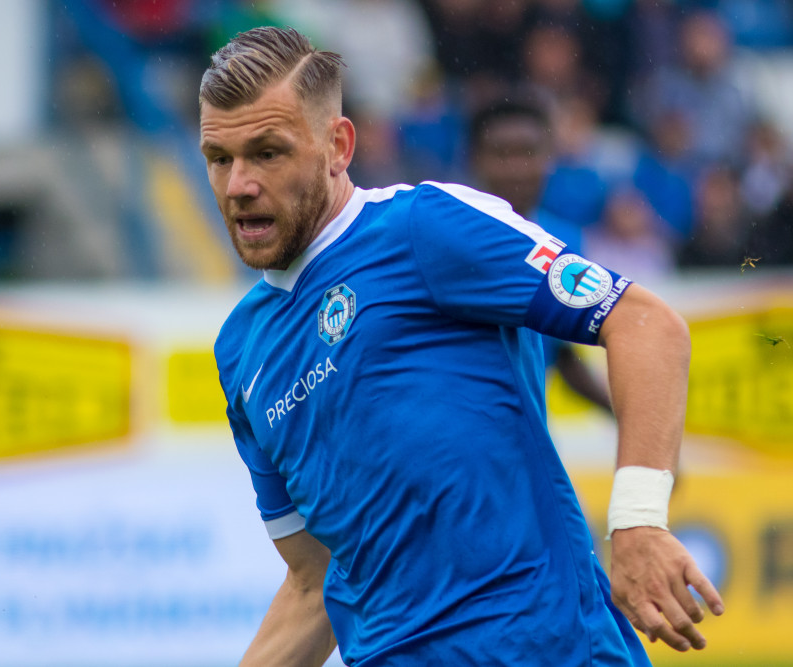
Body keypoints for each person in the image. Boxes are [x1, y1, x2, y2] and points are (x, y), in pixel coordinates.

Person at [201, 27, 723, 666]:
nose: (238, 185)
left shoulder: (424, 227)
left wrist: (639, 521)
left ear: (338, 146)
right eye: (219, 158)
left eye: (267, 153)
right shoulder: (241, 350)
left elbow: (645, 324)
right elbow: (316, 582)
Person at [466, 96, 614, 413]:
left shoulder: (566, 241)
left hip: (529, 426)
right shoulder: (448, 239)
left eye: (528, 153)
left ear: (550, 158)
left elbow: (556, 350)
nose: (516, 169)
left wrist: (619, 412)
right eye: (502, 154)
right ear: (475, 159)